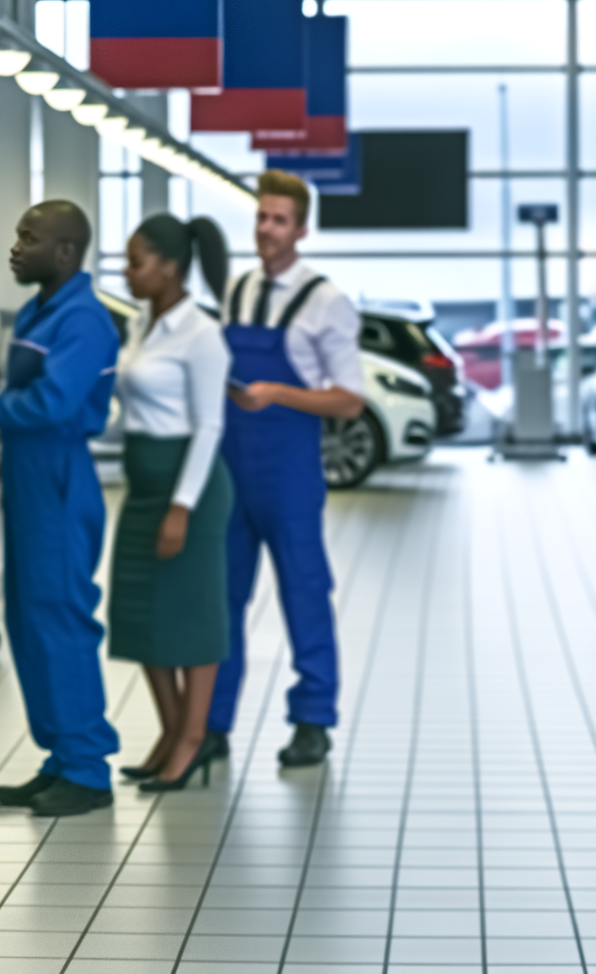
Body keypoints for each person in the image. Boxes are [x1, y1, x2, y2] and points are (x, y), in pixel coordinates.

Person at [208, 170, 364, 769]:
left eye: (278, 220)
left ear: (302, 229)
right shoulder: (237, 291)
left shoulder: (327, 302)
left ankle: (312, 719)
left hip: (290, 473)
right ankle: (215, 723)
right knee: (222, 599)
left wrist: (279, 393)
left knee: (304, 591)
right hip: (232, 468)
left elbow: (349, 400)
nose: (266, 229)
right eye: (260, 217)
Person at [0, 201, 121, 817]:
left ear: (65, 252)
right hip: (30, 475)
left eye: (28, 238)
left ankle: (88, 767)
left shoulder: (84, 319)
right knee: (30, 623)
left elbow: (53, 404)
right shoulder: (44, 307)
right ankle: (61, 755)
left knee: (62, 620)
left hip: (60, 476)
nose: (15, 247)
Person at [109, 214, 236, 792]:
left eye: (137, 262)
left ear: (170, 266)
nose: (128, 273)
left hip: (192, 488)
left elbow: (210, 426)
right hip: (143, 483)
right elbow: (129, 412)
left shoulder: (200, 332)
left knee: (192, 616)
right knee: (140, 614)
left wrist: (182, 507)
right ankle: (169, 730)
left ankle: (192, 739)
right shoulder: (141, 323)